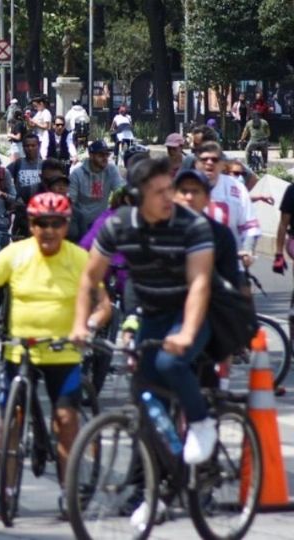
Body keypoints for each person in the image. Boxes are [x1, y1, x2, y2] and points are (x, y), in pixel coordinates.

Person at [72, 158, 219, 515]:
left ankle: (201, 425)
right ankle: (157, 483)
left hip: (191, 313)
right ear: (137, 197)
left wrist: (186, 333)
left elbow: (200, 283)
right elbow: (89, 277)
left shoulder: (192, 225)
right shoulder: (118, 226)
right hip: (151, 315)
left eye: (171, 189)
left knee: (171, 362)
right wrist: (80, 323)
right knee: (143, 397)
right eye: (159, 193)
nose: (170, 198)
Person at [0, 192, 110, 516]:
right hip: (20, 349)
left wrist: (90, 325)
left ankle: (67, 494)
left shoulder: (80, 258)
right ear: (31, 224)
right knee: (10, 423)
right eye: (42, 223)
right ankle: (6, 494)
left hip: (63, 352)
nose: (49, 230)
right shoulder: (16, 254)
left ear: (66, 225)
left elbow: (104, 304)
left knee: (66, 419)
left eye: (57, 223)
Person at [194, 142, 260, 269]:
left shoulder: (237, 188)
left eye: (214, 159)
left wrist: (248, 249)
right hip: (195, 264)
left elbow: (249, 225)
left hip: (231, 262)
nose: (209, 163)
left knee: (244, 287)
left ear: (222, 165)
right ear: (197, 164)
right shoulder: (185, 185)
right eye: (204, 159)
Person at [67, 140, 124, 241]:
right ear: (91, 155)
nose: (105, 158)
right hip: (81, 221)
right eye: (101, 155)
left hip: (101, 220)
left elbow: (121, 190)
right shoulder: (77, 174)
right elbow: (70, 201)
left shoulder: (111, 169)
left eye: (107, 155)